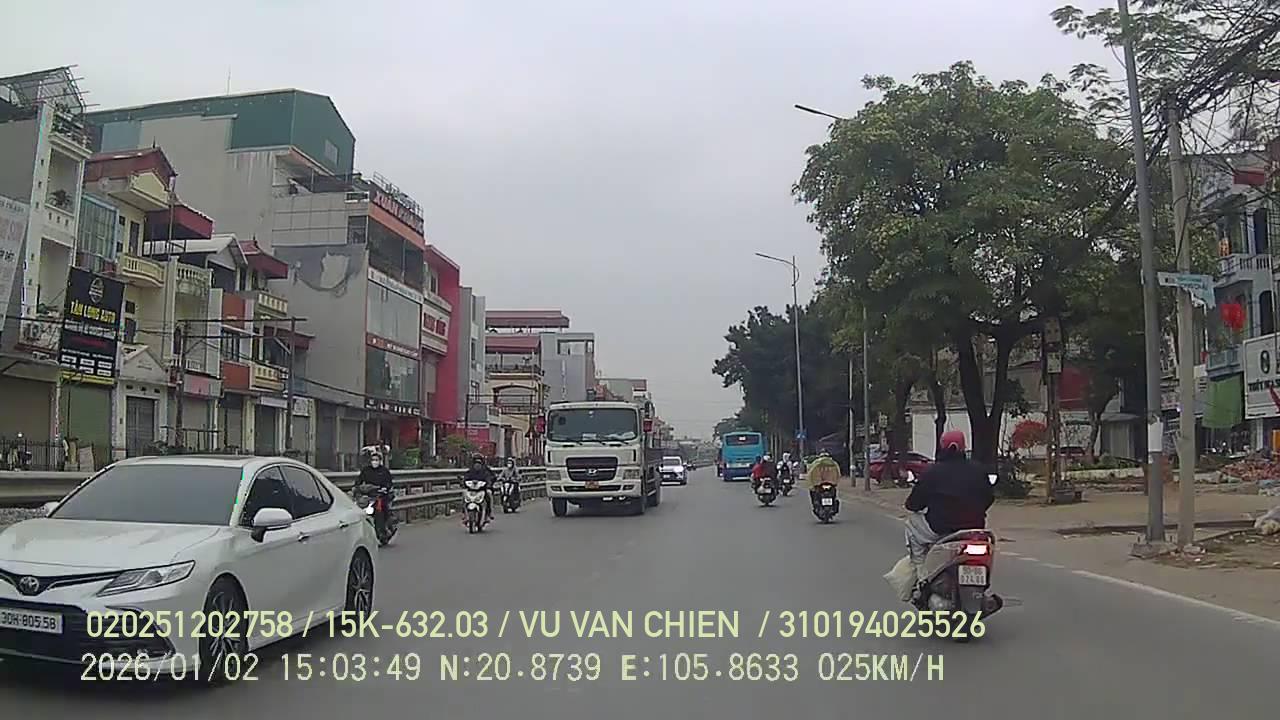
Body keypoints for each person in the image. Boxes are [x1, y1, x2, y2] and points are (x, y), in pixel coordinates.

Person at [902, 430, 994, 579]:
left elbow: (914, 503)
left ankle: (920, 572)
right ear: (964, 447)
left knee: (912, 523)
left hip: (940, 528)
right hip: (974, 529)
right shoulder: (978, 470)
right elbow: (989, 498)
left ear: (942, 446)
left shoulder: (932, 472)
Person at [461, 453, 497, 524]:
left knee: (489, 493)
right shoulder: (470, 471)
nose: (477, 464)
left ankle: (490, 512)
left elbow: (491, 478)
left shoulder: (486, 470)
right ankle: (464, 513)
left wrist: (489, 484)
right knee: (464, 494)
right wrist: (463, 482)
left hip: (483, 489)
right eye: (475, 462)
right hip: (472, 490)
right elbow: (465, 478)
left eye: (479, 462)